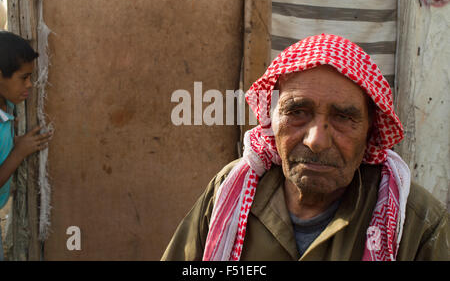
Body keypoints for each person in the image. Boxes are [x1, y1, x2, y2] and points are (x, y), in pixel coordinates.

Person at [162, 34, 449, 261]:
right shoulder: (228, 193)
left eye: (343, 118)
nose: (316, 140)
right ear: (272, 119)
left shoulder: (417, 225)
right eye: (298, 111)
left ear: (369, 131)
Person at [0, 31, 53, 260]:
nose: (30, 85)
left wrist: (14, 143)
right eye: (24, 78)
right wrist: (18, 153)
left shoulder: (7, 109)